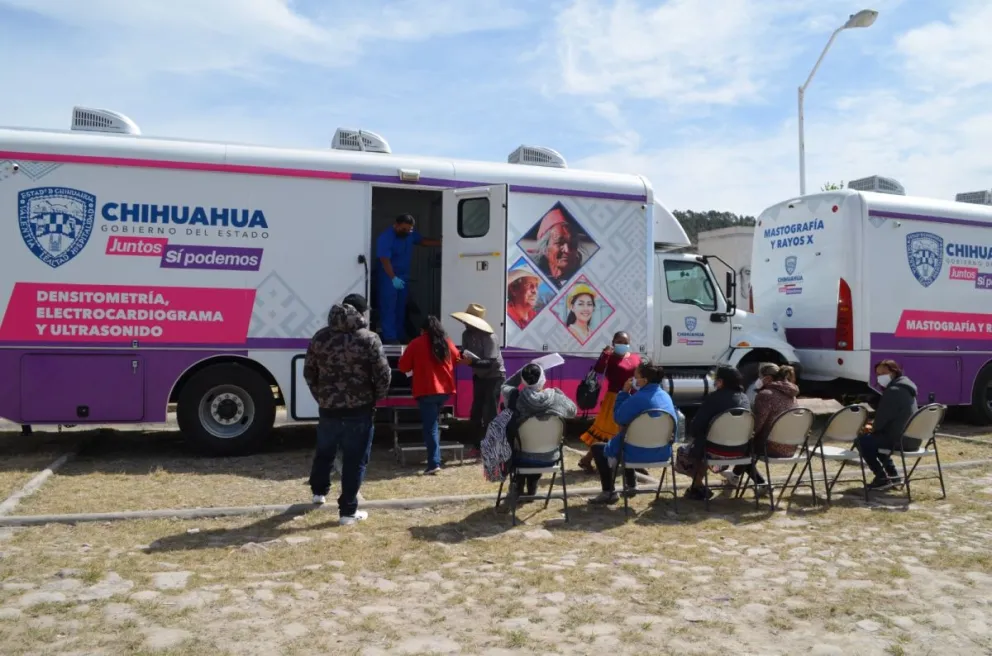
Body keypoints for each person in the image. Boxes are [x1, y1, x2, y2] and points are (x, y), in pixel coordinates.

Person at [303, 293, 391, 525]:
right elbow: (383, 374)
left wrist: (321, 396)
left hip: (328, 408)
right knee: (355, 460)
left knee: (325, 451)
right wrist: (376, 398)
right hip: (360, 409)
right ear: (361, 313)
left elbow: (309, 372)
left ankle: (318, 492)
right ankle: (348, 512)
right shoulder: (369, 338)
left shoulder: (320, 338)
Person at [589, 360, 678, 505]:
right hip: (662, 453)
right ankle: (631, 484)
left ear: (644, 380)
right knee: (626, 439)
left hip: (634, 453)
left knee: (599, 448)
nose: (633, 379)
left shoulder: (638, 398)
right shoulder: (666, 397)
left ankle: (609, 492)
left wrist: (624, 393)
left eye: (635, 376)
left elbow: (618, 417)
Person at [498, 363, 577, 510]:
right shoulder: (556, 398)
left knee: (520, 442)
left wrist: (520, 373)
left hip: (521, 457)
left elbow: (504, 386)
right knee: (539, 443)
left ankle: (518, 484)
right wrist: (560, 394)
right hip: (549, 457)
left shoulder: (515, 397)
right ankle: (533, 483)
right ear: (543, 379)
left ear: (523, 380)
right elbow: (573, 411)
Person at [398, 316, 465, 475]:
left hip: (426, 390)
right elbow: (457, 358)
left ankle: (434, 462)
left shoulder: (416, 343)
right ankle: (435, 458)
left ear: (423, 330)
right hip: (444, 391)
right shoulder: (446, 342)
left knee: (430, 428)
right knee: (433, 424)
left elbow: (403, 366)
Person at [676, 366, 751, 500]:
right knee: (704, 442)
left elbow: (696, 426)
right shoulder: (744, 398)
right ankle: (696, 487)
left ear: (721, 381)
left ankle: (697, 486)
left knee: (690, 448)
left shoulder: (714, 398)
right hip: (740, 450)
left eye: (716, 380)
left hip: (715, 450)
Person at [721, 365, 799, 489]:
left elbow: (756, 426)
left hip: (771, 446)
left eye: (760, 377)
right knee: (748, 446)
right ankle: (735, 475)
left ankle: (761, 483)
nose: (758, 380)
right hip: (791, 446)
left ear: (767, 378)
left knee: (745, 445)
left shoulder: (766, 395)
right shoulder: (792, 395)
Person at [578, 331, 641, 472]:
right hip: (614, 398)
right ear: (613, 343)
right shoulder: (610, 358)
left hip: (632, 398)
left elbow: (641, 374)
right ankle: (587, 459)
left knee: (627, 432)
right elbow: (598, 370)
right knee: (609, 433)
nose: (623, 345)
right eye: (619, 342)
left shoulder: (636, 358)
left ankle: (633, 464)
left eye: (625, 342)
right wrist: (605, 354)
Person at [375, 214, 441, 344]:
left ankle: (400, 335)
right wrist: (393, 278)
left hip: (403, 276)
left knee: (400, 308)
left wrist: (441, 243)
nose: (407, 232)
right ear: (396, 225)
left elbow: (422, 241)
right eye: (404, 229)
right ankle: (390, 337)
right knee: (388, 308)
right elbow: (384, 259)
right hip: (388, 277)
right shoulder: (386, 237)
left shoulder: (409, 234)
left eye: (410, 229)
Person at [451, 303, 506, 459]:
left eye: (468, 321)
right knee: (475, 413)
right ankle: (477, 445)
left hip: (494, 376)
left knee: (490, 413)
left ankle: (494, 448)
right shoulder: (466, 335)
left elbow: (491, 362)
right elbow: (466, 353)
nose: (465, 324)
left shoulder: (490, 337)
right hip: (479, 376)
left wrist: (471, 363)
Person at [856, 359, 918, 490]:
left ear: (894, 372)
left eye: (883, 373)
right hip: (914, 439)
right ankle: (893, 475)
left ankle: (881, 477)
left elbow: (881, 420)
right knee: (876, 439)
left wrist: (871, 428)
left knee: (863, 441)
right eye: (878, 374)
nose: (880, 377)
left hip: (901, 440)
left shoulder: (893, 391)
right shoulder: (907, 388)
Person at [534, 208, 583, 288]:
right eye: (559, 243)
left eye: (572, 243)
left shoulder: (582, 280)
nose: (567, 250)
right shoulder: (532, 279)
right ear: (545, 249)